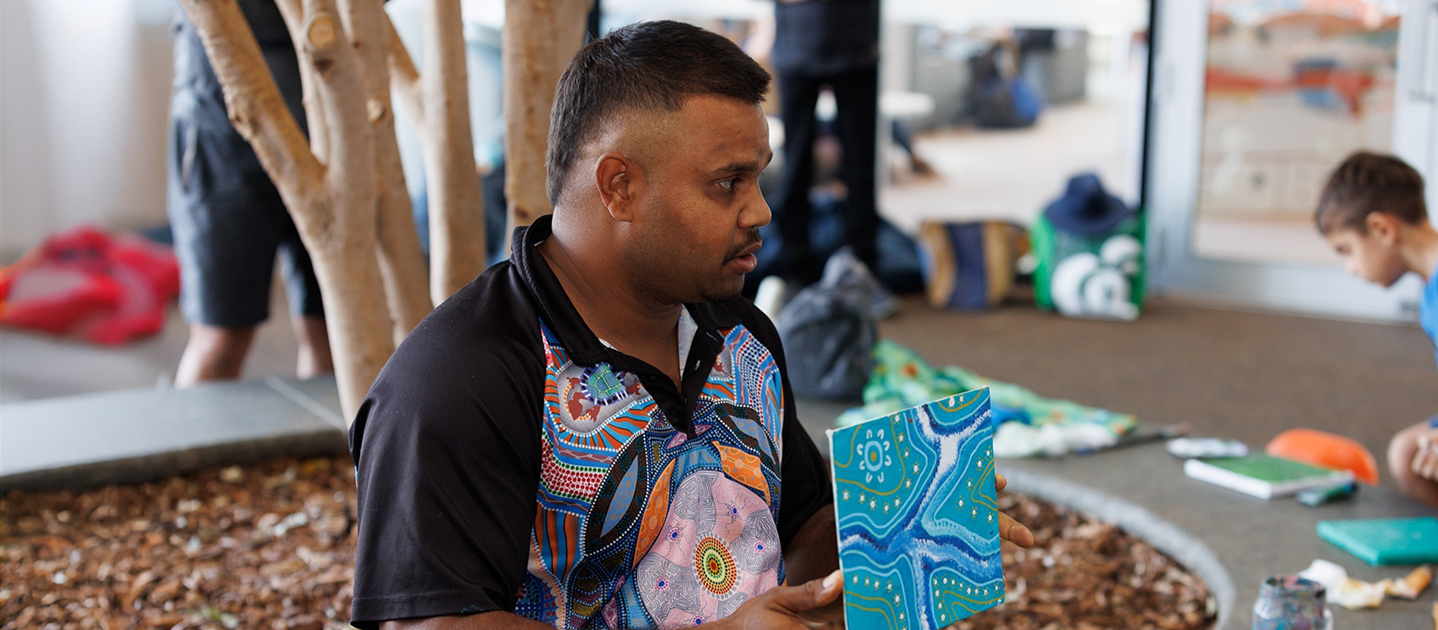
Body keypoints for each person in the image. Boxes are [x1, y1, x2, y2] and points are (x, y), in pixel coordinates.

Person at [347, 21, 1033, 630]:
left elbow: (796, 530)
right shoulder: (460, 379)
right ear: (619, 186)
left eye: (760, 178)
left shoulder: (741, 335)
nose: (761, 211)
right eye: (727, 182)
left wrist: (916, 528)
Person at [167, 0, 332, 385]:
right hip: (222, 127)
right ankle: (194, 442)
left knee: (333, 327)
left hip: (329, 120)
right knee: (221, 338)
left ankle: (333, 443)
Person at [1315, 152, 1438, 508]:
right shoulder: (1430, 289)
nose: (1350, 268)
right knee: (1408, 452)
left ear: (1382, 229)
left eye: (1346, 250)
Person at [769, 0, 882, 286]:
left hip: (857, 48)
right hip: (796, 49)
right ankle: (794, 266)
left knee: (861, 166)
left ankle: (862, 266)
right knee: (795, 165)